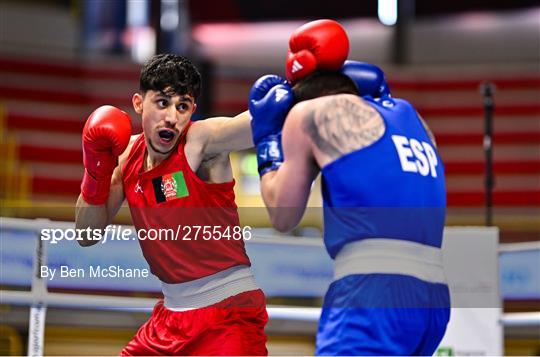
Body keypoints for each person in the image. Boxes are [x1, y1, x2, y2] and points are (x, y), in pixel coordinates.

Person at [249, 20, 450, 355]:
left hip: (372, 291)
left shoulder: (307, 114)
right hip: (434, 298)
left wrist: (268, 140)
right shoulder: (413, 116)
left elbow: (283, 215)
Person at [75, 53, 267, 356]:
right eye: (162, 103)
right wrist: (95, 171)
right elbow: (86, 234)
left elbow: (252, 125)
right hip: (170, 316)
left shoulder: (201, 141)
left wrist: (296, 94)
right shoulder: (124, 159)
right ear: (139, 103)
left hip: (227, 314)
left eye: (182, 106)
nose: (172, 117)